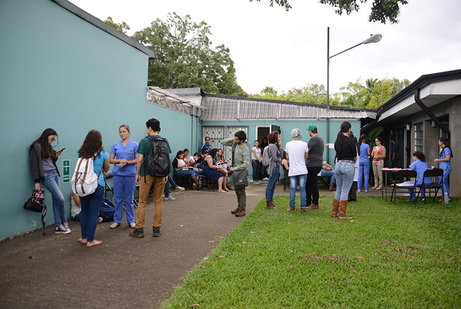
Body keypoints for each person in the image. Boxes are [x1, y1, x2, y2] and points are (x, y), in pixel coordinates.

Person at [130, 118, 170, 238]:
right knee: (158, 202)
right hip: (161, 174)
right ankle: (156, 229)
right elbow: (167, 158)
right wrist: (166, 174)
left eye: (147, 128)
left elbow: (140, 159)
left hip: (147, 174)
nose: (146, 130)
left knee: (142, 202)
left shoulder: (145, 141)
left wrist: (137, 174)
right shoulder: (165, 141)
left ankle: (139, 229)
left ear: (150, 128)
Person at [29, 128, 69, 234]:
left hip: (55, 173)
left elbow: (50, 161)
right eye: (51, 139)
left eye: (53, 140)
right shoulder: (36, 146)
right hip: (46, 176)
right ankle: (64, 221)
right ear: (45, 136)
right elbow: (34, 164)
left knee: (56, 199)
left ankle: (58, 226)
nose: (52, 141)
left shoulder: (48, 146)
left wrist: (55, 156)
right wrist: (37, 181)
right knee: (60, 198)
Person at [77, 130, 110, 247]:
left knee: (84, 211)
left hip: (83, 186)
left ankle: (84, 238)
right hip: (97, 185)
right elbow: (107, 167)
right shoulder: (103, 154)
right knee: (93, 213)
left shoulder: (81, 153)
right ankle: (91, 240)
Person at [108, 125, 138, 229]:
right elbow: (110, 160)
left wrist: (127, 162)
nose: (122, 134)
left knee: (129, 198)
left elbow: (137, 160)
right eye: (120, 132)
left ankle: (131, 220)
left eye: (124, 131)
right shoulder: (115, 145)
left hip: (130, 175)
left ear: (129, 132)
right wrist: (120, 160)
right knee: (118, 198)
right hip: (118, 175)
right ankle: (117, 220)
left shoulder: (135, 145)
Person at [330, 122, 357, 220]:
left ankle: (334, 212)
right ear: (349, 129)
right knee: (345, 190)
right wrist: (354, 164)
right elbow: (354, 155)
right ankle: (342, 214)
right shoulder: (351, 140)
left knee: (339, 189)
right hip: (348, 165)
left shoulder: (338, 140)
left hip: (338, 165)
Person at [221, 131, 251, 217]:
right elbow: (222, 142)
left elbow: (246, 163)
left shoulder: (245, 149)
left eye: (237, 139)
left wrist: (236, 168)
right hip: (235, 171)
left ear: (242, 140)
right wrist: (234, 138)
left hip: (241, 171)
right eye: (235, 138)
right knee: (237, 190)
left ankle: (242, 209)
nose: (235, 140)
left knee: (241, 191)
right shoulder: (234, 144)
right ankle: (239, 207)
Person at [285, 128, 308, 213]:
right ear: (300, 135)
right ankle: (303, 208)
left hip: (293, 170)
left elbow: (287, 157)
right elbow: (306, 156)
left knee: (292, 189)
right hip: (302, 170)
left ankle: (292, 208)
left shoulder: (288, 144)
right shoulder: (304, 144)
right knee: (302, 189)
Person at [305, 124, 324, 210]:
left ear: (310, 131)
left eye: (308, 130)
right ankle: (308, 201)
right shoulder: (320, 138)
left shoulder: (312, 139)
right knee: (310, 183)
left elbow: (307, 152)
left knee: (312, 184)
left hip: (312, 165)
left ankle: (315, 203)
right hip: (318, 163)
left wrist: (304, 156)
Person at [264, 131, 282, 210]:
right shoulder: (272, 146)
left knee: (273, 186)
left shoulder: (274, 146)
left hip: (276, 167)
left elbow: (280, 155)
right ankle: (268, 203)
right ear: (274, 138)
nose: (279, 138)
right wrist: (282, 161)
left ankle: (271, 202)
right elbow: (275, 158)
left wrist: (281, 147)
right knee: (270, 186)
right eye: (278, 137)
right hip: (274, 168)